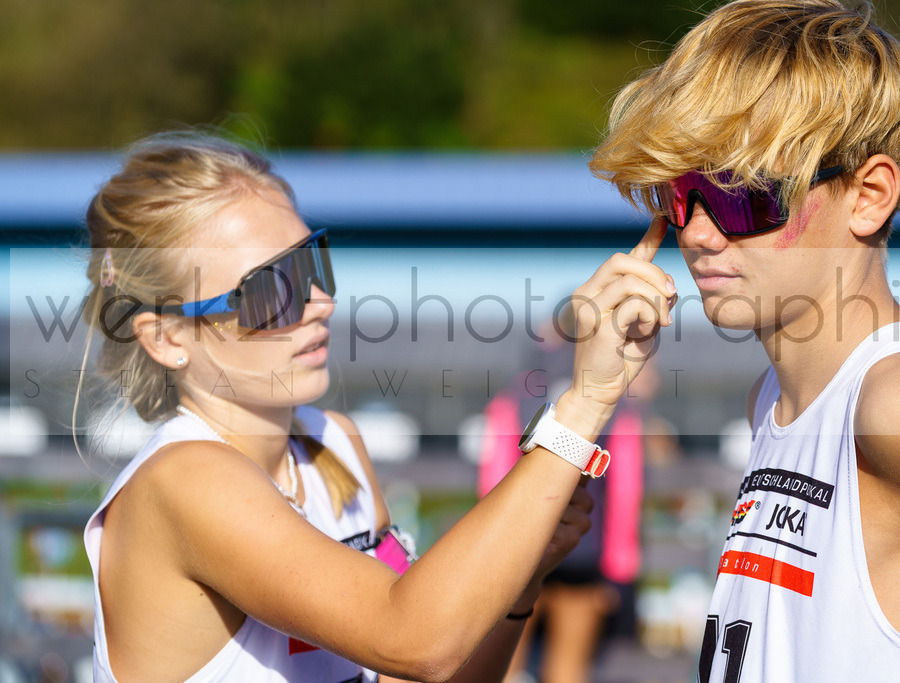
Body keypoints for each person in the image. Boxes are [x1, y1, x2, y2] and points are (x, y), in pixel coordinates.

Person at [78, 132, 676, 682]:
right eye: (269, 289)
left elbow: (424, 672)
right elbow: (414, 639)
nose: (318, 302)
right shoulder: (184, 478)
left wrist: (522, 575)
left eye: (311, 263)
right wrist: (585, 402)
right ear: (167, 338)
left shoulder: (333, 446)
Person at [588, 1, 900, 680]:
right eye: (681, 193)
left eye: (740, 192)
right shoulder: (771, 398)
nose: (697, 232)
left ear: (869, 194)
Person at [478, 315, 647, 683]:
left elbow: (492, 481)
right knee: (568, 671)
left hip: (518, 552)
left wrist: (490, 557)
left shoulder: (513, 397)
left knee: (503, 669)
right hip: (583, 552)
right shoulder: (616, 403)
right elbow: (625, 492)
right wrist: (618, 571)